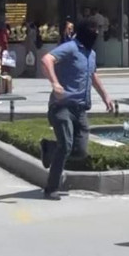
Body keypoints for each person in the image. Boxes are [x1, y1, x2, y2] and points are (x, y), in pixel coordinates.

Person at [39, 19, 114, 200]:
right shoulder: (71, 47)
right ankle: (51, 188)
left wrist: (106, 96)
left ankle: (49, 148)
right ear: (82, 31)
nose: (96, 33)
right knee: (66, 145)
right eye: (92, 29)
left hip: (80, 109)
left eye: (98, 30)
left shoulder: (91, 54)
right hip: (61, 106)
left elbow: (93, 75)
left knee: (80, 151)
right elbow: (47, 59)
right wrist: (55, 83)